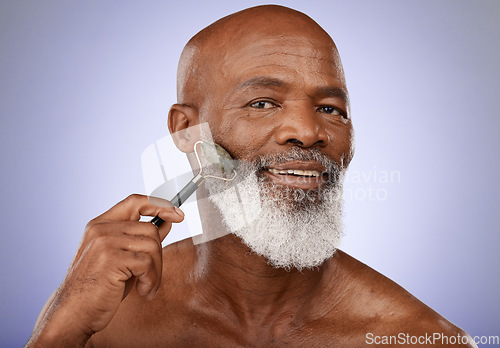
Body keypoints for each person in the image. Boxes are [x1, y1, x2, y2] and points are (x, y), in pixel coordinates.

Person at [27, 5, 475, 347]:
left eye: (330, 110)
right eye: (263, 103)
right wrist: (58, 335)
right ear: (188, 133)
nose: (308, 132)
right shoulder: (103, 318)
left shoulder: (420, 337)